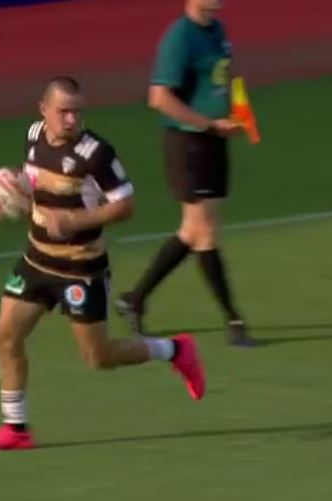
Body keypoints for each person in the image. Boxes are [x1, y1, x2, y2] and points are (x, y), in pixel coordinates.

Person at [0, 76, 206, 453]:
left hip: (81, 269)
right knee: (6, 336)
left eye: (77, 112)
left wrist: (75, 221)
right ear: (43, 110)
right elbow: (35, 180)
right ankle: (16, 429)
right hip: (36, 260)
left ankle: (175, 350)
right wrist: (8, 192)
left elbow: (125, 205)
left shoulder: (96, 154)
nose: (71, 119)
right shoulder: (33, 136)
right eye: (63, 111)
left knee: (99, 357)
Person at [116, 0, 255, 347]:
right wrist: (208, 124)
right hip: (188, 144)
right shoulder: (179, 38)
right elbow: (159, 98)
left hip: (214, 141)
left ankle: (135, 299)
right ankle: (234, 319)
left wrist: (237, 114)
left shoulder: (217, 29)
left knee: (192, 231)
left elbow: (223, 78)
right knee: (206, 233)